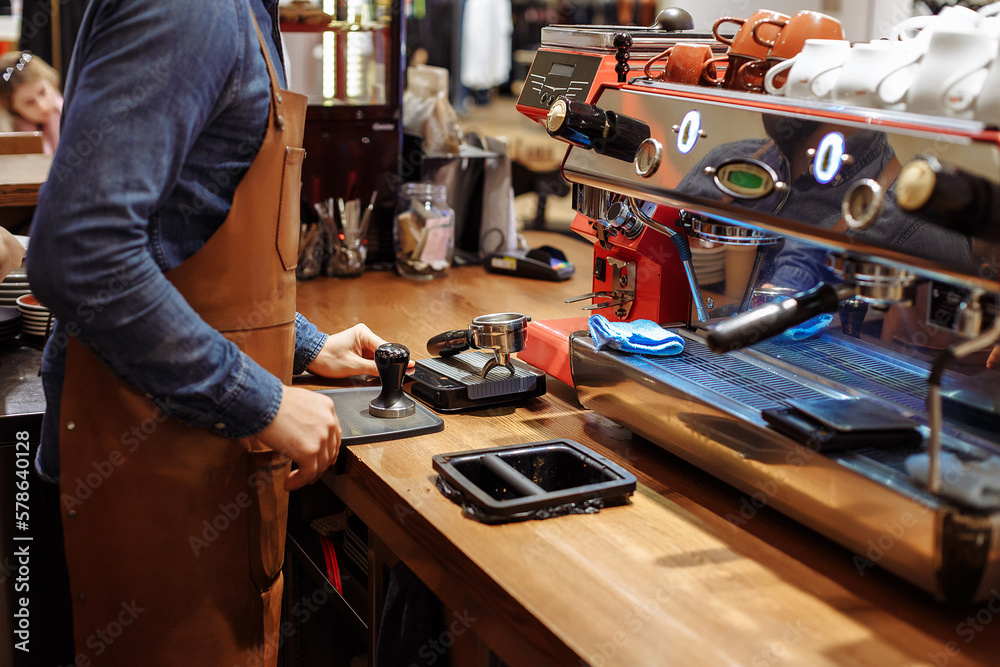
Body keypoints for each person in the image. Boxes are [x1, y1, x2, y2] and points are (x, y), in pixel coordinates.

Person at [27, 1, 396, 664]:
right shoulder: (193, 9)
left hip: (193, 459)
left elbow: (182, 230)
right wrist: (261, 398)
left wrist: (304, 344)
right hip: (143, 469)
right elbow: (80, 252)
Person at [0, 50, 63, 154]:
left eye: (42, 92)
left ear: (50, 82)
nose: (42, 106)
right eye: (29, 102)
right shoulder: (6, 136)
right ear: (12, 106)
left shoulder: (76, 113)